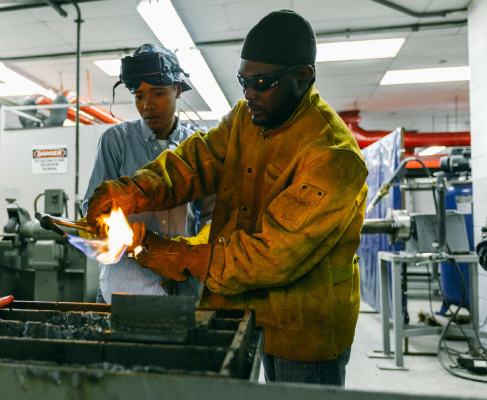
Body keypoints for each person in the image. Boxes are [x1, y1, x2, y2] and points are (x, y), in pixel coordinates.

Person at [85, 10, 368, 387]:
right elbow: (194, 162)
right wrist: (133, 190)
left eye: (262, 82)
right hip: (238, 307)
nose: (249, 93)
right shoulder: (246, 118)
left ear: (303, 77)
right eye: (244, 81)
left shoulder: (332, 156)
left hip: (302, 329)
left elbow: (269, 256)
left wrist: (177, 254)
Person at [82, 43, 210, 304]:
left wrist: (185, 252)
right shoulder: (115, 141)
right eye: (139, 96)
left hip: (183, 289)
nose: (147, 105)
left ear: (178, 89)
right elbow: (92, 210)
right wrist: (120, 230)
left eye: (158, 93)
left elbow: (210, 216)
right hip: (125, 286)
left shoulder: (197, 147)